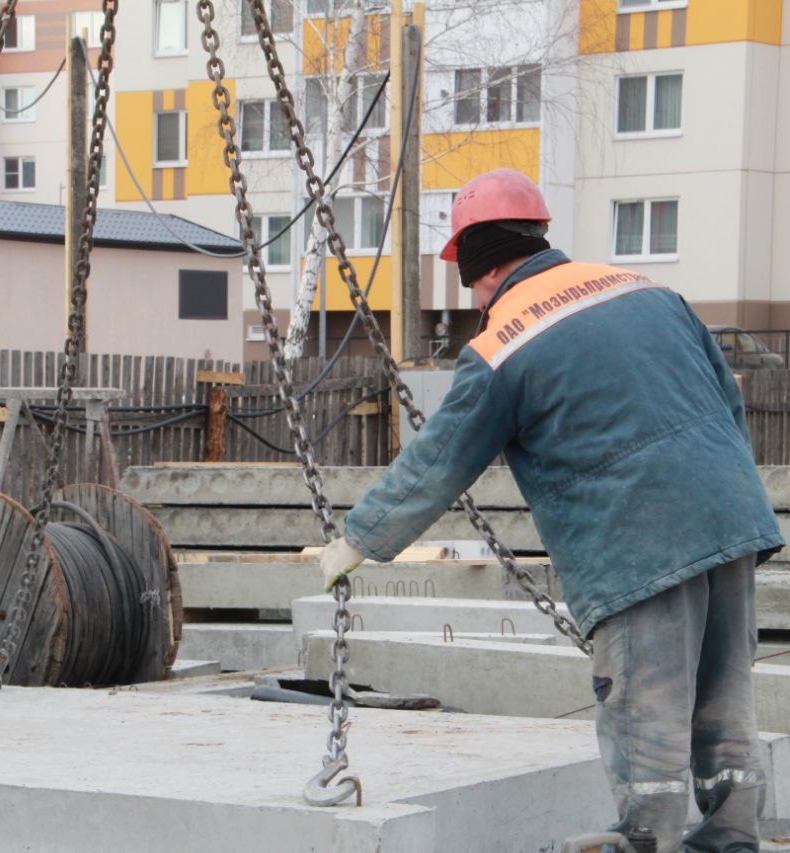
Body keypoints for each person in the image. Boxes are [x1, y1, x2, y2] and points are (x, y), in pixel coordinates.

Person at [319, 169, 782, 851]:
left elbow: (439, 458)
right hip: (731, 516)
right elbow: (726, 400)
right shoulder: (649, 290)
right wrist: (720, 497)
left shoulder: (504, 340)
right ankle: (733, 839)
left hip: (637, 542)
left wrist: (358, 537)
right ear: (540, 237)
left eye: (466, 274)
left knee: (646, 711)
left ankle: (645, 841)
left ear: (479, 262)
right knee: (724, 699)